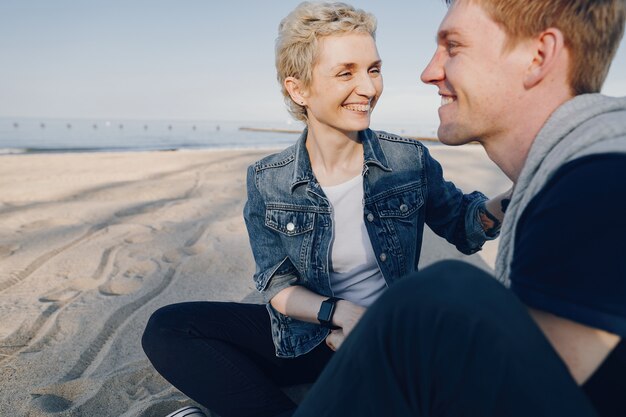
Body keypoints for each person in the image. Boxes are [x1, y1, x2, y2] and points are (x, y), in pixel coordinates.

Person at [141, 2, 509, 417]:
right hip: (312, 337)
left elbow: (464, 225)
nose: (369, 88)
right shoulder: (268, 180)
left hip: (390, 339)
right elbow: (276, 285)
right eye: (345, 72)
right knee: (169, 329)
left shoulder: (408, 160)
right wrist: (341, 314)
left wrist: (519, 192)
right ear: (299, 90)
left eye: (373, 69)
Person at [293, 0, 626, 416]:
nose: (428, 72)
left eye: (452, 46)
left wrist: (386, 342)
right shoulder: (571, 176)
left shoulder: (598, 185)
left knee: (439, 297)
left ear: (538, 57)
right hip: (313, 336)